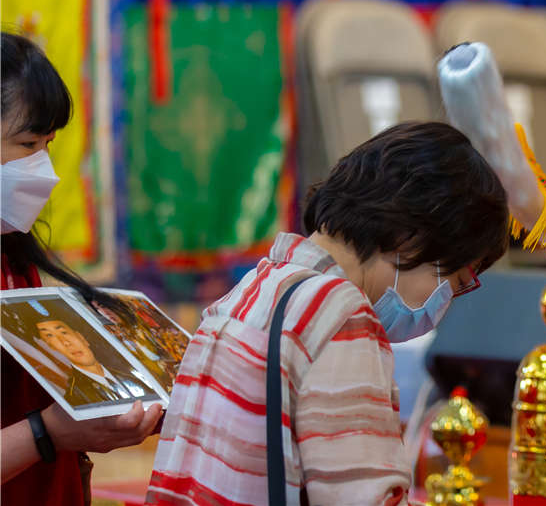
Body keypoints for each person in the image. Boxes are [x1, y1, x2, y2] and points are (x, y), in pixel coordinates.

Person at [147, 120, 509, 506]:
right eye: (455, 281)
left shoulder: (248, 292)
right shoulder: (341, 317)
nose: (445, 302)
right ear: (409, 238)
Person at [1, 31, 164, 502]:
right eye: (28, 143)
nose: (44, 167)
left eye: (48, 144)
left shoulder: (12, 251)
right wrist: (48, 433)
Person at [35, 318, 153, 406]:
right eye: (50, 336)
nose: (65, 342)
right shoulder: (75, 396)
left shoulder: (131, 376)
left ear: (81, 338)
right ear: (52, 348)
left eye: (64, 332)